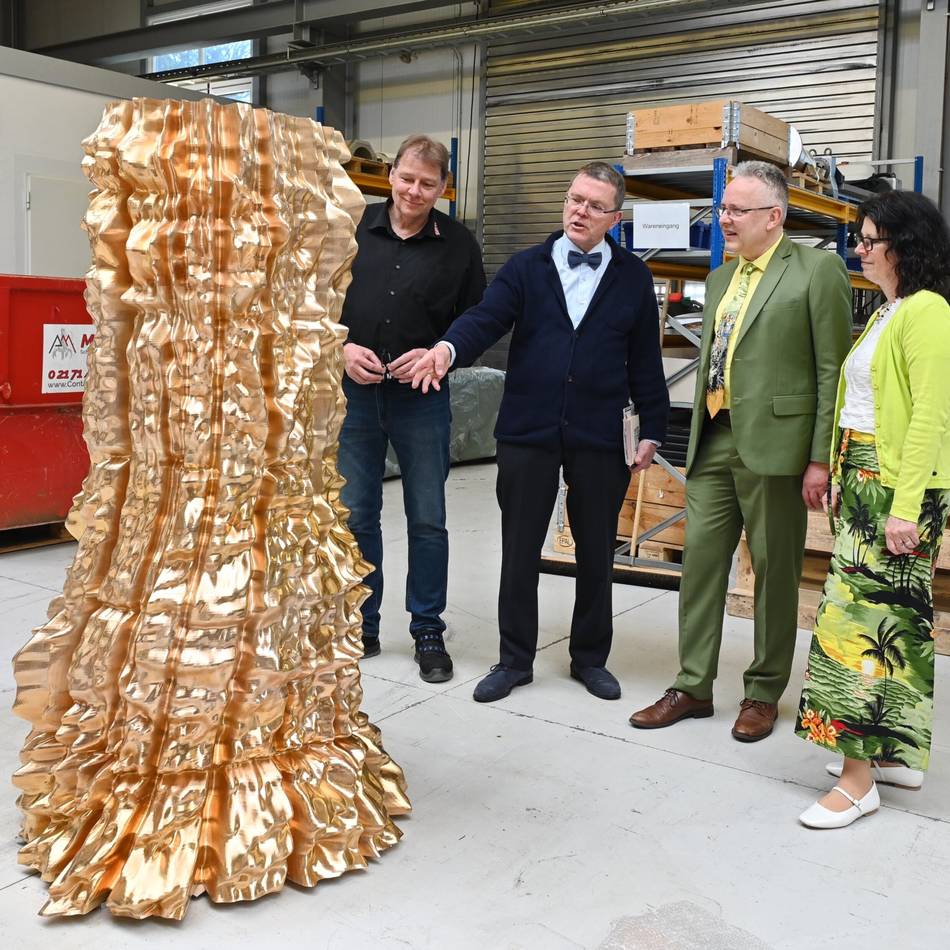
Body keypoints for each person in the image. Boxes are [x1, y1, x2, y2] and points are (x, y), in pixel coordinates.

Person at [410, 161, 669, 703]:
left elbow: (646, 359)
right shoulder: (527, 266)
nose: (580, 211)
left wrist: (654, 428)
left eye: (595, 206)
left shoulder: (633, 278)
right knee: (520, 546)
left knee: (597, 549)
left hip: (600, 432)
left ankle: (590, 658)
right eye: (575, 198)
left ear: (615, 219)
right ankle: (514, 660)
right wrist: (447, 349)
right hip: (528, 429)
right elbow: (485, 318)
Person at [630, 161, 853, 741]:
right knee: (701, 567)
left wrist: (819, 458)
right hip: (714, 438)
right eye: (725, 208)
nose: (724, 218)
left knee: (775, 574)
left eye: (736, 210)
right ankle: (692, 684)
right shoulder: (723, 277)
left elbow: (832, 372)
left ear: (774, 216)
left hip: (778, 448)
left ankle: (762, 691)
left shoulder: (817, 270)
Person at [796, 191, 950, 829]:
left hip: (897, 489)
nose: (858, 249)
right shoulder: (888, 312)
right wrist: (838, 471)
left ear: (903, 245)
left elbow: (931, 417)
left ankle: (858, 782)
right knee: (900, 623)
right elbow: (862, 409)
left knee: (855, 626)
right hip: (867, 483)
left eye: (868, 239)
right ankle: (894, 753)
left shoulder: (928, 312)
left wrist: (904, 506)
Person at [339, 134, 486, 683]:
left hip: (421, 399)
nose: (414, 192)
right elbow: (314, 301)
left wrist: (439, 356)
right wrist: (340, 346)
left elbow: (477, 320)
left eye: (428, 184)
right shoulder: (350, 229)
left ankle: (427, 627)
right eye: (406, 179)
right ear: (391, 175)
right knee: (357, 513)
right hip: (354, 393)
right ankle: (362, 622)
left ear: (443, 188)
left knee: (428, 518)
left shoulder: (459, 245)